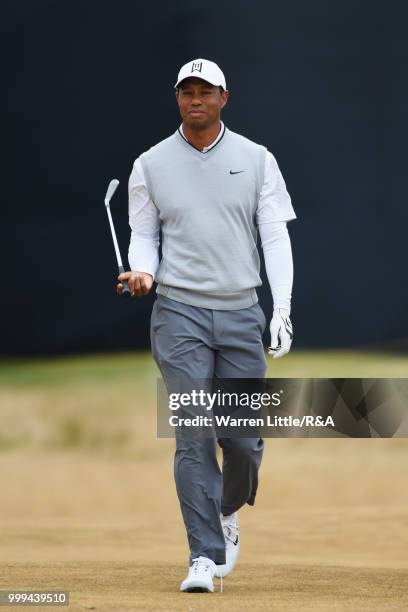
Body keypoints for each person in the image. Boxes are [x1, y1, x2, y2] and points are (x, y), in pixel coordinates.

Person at [117, 58, 296, 593]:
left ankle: (227, 509)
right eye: (186, 92)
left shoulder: (257, 159)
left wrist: (281, 308)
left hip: (242, 310)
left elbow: (275, 238)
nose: (196, 99)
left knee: (242, 440)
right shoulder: (149, 165)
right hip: (178, 312)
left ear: (224, 97)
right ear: (177, 99)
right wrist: (143, 272)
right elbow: (144, 235)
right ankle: (202, 554)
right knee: (193, 435)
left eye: (206, 91)